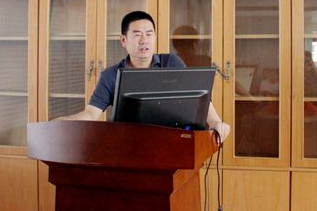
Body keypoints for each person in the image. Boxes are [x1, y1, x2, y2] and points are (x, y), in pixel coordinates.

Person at [59, 10, 230, 141]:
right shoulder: (111, 75)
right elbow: (91, 113)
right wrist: (62, 122)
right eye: (137, 35)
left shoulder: (171, 62)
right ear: (123, 40)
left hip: (171, 143)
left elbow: (198, 96)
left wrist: (215, 121)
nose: (144, 40)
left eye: (149, 34)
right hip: (128, 144)